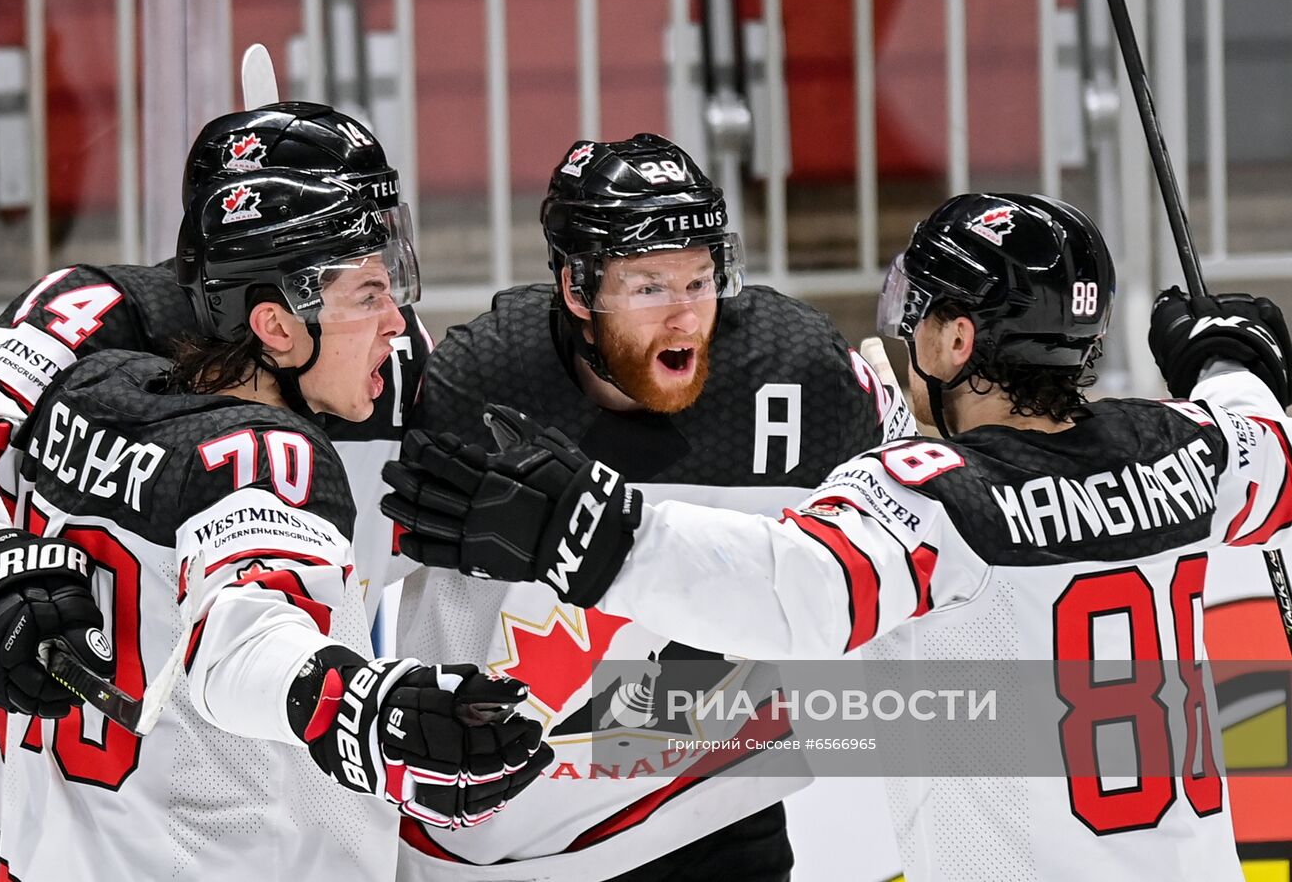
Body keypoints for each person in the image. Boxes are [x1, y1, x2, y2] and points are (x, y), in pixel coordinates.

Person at [383, 191, 1292, 880]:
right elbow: (1266, 441)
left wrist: (584, 530)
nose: (900, 323)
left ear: (955, 340)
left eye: (918, 304)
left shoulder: (936, 502)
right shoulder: (1193, 449)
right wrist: (1232, 355)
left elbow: (790, 593)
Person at [0, 168, 551, 881]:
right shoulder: (272, 451)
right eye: (368, 294)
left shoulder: (78, 389)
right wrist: (350, 706)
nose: (399, 322)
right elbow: (242, 634)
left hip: (31, 852)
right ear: (273, 323)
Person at [0, 102, 434, 878]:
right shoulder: (93, 320)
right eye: (361, 268)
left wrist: (650, 732)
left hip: (286, 845)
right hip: (66, 843)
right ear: (272, 307)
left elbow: (550, 580)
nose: (394, 314)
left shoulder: (383, 360)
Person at [387, 133, 914, 881]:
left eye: (700, 280)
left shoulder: (800, 377)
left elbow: (919, 524)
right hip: (512, 835)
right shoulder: (482, 385)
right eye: (649, 286)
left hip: (715, 801)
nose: (684, 317)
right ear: (576, 290)